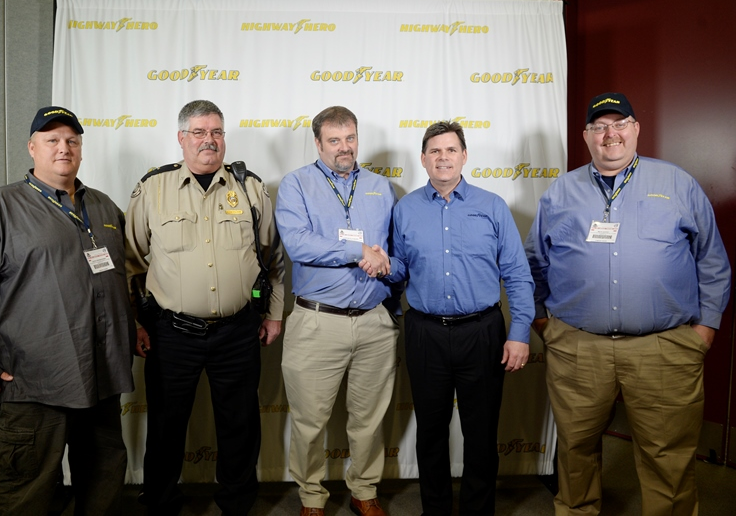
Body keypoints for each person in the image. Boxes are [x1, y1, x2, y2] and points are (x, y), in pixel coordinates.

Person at [524, 92, 731, 515]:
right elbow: (533, 264)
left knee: (668, 457)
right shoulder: (560, 192)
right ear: (586, 136)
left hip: (664, 348)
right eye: (599, 127)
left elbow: (712, 260)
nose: (610, 134)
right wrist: (545, 324)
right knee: (576, 449)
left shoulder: (676, 183)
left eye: (619, 124)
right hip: (578, 348)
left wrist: (705, 329)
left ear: (636, 129)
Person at [0, 106, 135, 515]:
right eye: (52, 140)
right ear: (32, 148)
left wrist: (133, 328)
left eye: (72, 140)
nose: (63, 148)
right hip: (34, 381)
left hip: (101, 376)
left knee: (103, 483)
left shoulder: (104, 207)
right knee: (28, 493)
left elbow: (122, 277)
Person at [125, 99, 285, 516]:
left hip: (238, 331)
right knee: (166, 425)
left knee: (240, 424)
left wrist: (271, 313)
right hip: (171, 333)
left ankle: (237, 504)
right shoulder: (153, 189)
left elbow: (271, 259)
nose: (208, 140)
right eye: (198, 132)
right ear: (181, 138)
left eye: (216, 132)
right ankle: (161, 503)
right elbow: (131, 264)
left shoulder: (250, 188)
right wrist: (136, 323)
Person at [387, 121, 534, 515]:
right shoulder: (405, 209)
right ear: (423, 159)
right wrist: (382, 264)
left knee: (481, 434)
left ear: (464, 156)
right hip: (425, 333)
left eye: (451, 150)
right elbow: (399, 269)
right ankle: (435, 510)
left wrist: (520, 332)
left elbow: (518, 275)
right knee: (430, 433)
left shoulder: (493, 207)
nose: (443, 157)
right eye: (434, 151)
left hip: (482, 332)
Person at [275, 106, 399, 516]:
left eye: (350, 138)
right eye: (334, 140)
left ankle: (364, 490)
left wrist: (386, 263)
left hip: (374, 322)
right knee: (310, 421)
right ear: (318, 143)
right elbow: (299, 244)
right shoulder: (296, 184)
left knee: (369, 419)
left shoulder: (381, 186)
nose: (344, 148)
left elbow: (397, 252)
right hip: (317, 321)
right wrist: (357, 250)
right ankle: (311, 496)